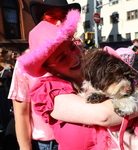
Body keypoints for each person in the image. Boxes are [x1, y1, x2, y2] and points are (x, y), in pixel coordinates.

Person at [17, 10, 138, 150]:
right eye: (62, 58)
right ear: (50, 68)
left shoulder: (96, 73)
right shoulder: (50, 90)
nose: (74, 57)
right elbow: (104, 116)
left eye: (72, 47)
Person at [8, 0, 81, 149]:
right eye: (52, 16)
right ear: (41, 20)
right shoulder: (26, 62)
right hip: (46, 143)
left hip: (80, 137)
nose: (59, 21)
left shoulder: (77, 51)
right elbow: (21, 113)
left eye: (63, 16)